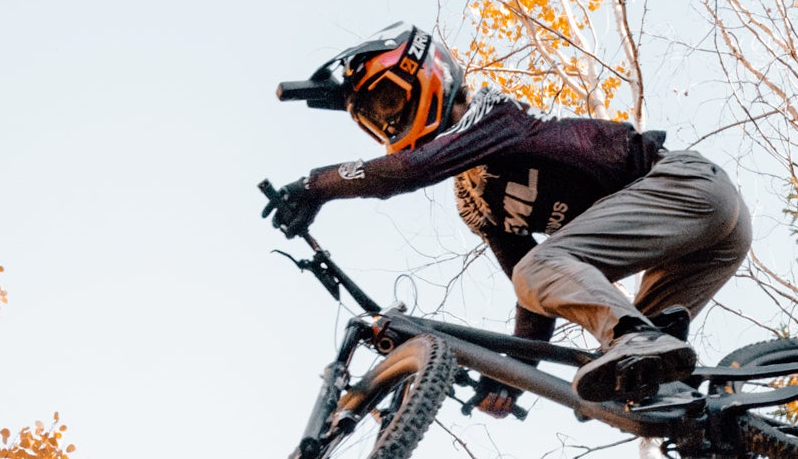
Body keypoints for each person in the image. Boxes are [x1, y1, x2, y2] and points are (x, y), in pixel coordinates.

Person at [272, 26, 752, 411]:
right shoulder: (475, 201)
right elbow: (535, 295)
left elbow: (408, 171)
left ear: (426, 72)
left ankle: (635, 338)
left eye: (389, 102)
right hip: (708, 239)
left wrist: (316, 183)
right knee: (640, 386)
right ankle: (728, 441)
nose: (391, 123)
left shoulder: (491, 114)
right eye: (376, 121)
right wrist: (511, 376)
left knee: (613, 327)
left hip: (685, 185)